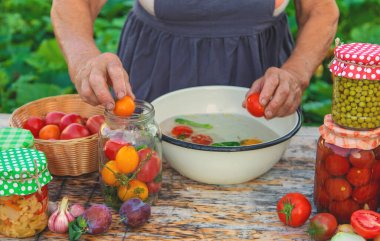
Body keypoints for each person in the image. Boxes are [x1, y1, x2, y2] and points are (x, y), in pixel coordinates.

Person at [51, 0, 339, 119]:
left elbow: (320, 9)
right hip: (157, 69)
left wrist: (296, 73)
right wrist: (85, 60)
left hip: (261, 77)